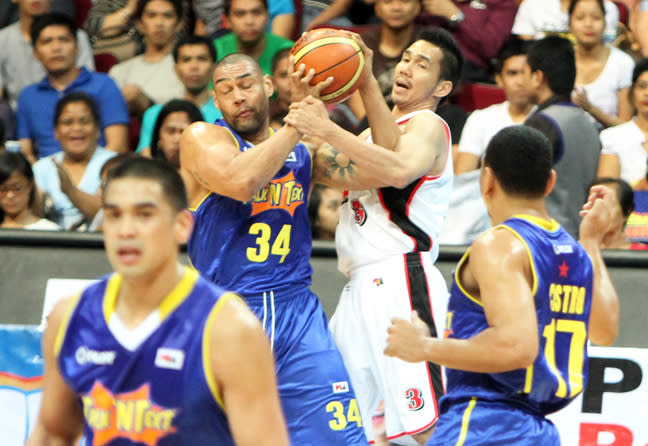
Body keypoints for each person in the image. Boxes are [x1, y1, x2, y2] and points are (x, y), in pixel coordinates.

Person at [25, 157, 290, 446]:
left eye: (144, 215)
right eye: (114, 215)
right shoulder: (69, 316)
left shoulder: (231, 330)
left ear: (182, 226)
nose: (126, 231)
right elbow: (53, 435)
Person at [385, 125, 620, 445]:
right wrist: (591, 241)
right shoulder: (574, 252)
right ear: (550, 181)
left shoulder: (499, 245)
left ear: (487, 178)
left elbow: (515, 347)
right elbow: (605, 332)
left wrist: (425, 347)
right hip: (538, 431)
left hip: (484, 425)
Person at [284, 28, 463, 445]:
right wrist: (316, 96)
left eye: (422, 64)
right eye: (405, 58)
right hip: (357, 288)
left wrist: (327, 129)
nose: (406, 66)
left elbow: (397, 170)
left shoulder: (429, 126)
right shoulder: (368, 137)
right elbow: (318, 166)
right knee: (342, 424)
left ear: (442, 86)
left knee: (427, 426)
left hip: (401, 278)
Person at [179, 53, 367, 446]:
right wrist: (299, 122)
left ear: (267, 85)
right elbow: (240, 180)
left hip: (297, 314)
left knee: (341, 439)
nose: (238, 97)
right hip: (230, 312)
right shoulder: (202, 138)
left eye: (246, 85)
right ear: (216, 100)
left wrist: (363, 81)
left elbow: (391, 169)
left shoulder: (302, 148)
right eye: (226, 91)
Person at [16, 13, 128, 162]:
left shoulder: (104, 85)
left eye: (64, 40)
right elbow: (26, 152)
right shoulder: (28, 95)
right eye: (47, 41)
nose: (56, 48)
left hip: (99, 176)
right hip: (46, 179)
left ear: (77, 48)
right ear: (36, 53)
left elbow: (118, 145)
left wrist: (86, 179)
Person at [523, 35, 601, 239]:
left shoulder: (542, 122)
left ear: (538, 77)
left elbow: (521, 184)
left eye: (525, 73)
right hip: (578, 236)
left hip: (545, 236)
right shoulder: (588, 122)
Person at [32, 93, 117, 230]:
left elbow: (113, 215)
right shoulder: (41, 168)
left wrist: (70, 190)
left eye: (84, 121)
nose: (77, 128)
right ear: (56, 131)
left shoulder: (115, 164)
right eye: (68, 122)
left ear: (97, 129)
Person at [455, 36, 534, 174]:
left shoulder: (550, 117)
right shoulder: (480, 118)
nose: (520, 82)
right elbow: (463, 176)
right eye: (512, 73)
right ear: (499, 79)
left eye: (525, 73)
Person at [0, 0, 94, 111]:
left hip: (74, 110)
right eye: (47, 41)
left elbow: (88, 84)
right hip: (20, 115)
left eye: (62, 40)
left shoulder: (77, 37)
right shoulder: (2, 40)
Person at [137, 35, 222, 154]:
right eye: (186, 60)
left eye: (201, 59)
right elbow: (146, 158)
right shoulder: (155, 114)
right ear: (176, 69)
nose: (194, 67)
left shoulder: (226, 112)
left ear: (214, 67)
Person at [108, 0, 185, 116]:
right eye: (152, 16)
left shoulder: (189, 66)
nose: (159, 23)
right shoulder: (119, 71)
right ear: (140, 24)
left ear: (179, 24)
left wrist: (147, 103)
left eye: (167, 16)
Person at [569, 0, 635, 129]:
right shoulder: (561, 59)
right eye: (580, 17)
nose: (588, 24)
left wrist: (591, 109)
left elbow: (627, 126)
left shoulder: (623, 63)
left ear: (605, 23)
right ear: (569, 24)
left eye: (596, 18)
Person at [417, 0, 517, 82]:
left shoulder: (502, 3)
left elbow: (490, 47)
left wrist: (455, 15)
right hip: (421, 54)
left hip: (467, 69)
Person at [598, 58, 648, 184]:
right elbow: (606, 191)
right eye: (642, 86)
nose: (647, 93)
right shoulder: (613, 137)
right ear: (632, 92)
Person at [212, 0, 294, 76]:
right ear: (227, 20)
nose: (249, 21)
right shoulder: (214, 51)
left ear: (267, 16)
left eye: (256, 13)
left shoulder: (291, 52)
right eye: (240, 14)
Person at [0, 151, 59, 230]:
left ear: (30, 185)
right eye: (3, 189)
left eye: (17, 189)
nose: (10, 195)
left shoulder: (49, 230)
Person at [512, 0, 619, 42]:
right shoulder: (532, 5)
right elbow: (525, 49)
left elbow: (607, 47)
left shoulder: (607, 9)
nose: (588, 23)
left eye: (595, 18)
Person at [590, 176, 648, 249]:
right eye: (593, 204)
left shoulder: (643, 253)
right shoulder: (575, 252)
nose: (599, 211)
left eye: (608, 205)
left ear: (626, 211)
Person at [150, 99, 203, 169]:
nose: (177, 139)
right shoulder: (147, 176)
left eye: (184, 132)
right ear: (158, 138)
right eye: (171, 131)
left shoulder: (210, 178)